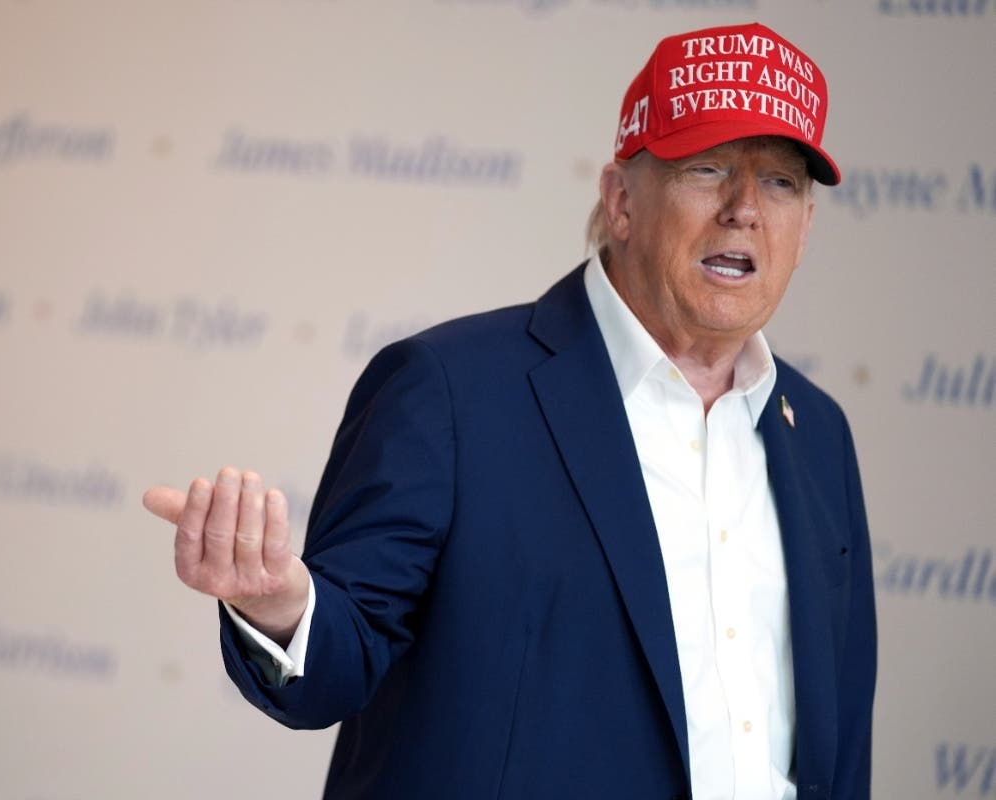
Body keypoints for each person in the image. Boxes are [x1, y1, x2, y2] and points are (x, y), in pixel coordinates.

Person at [144, 22, 877, 800]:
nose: (744, 209)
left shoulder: (818, 434)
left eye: (781, 183)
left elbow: (838, 738)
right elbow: (337, 660)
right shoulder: (448, 391)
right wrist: (280, 609)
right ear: (621, 200)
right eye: (706, 168)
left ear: (804, 231)